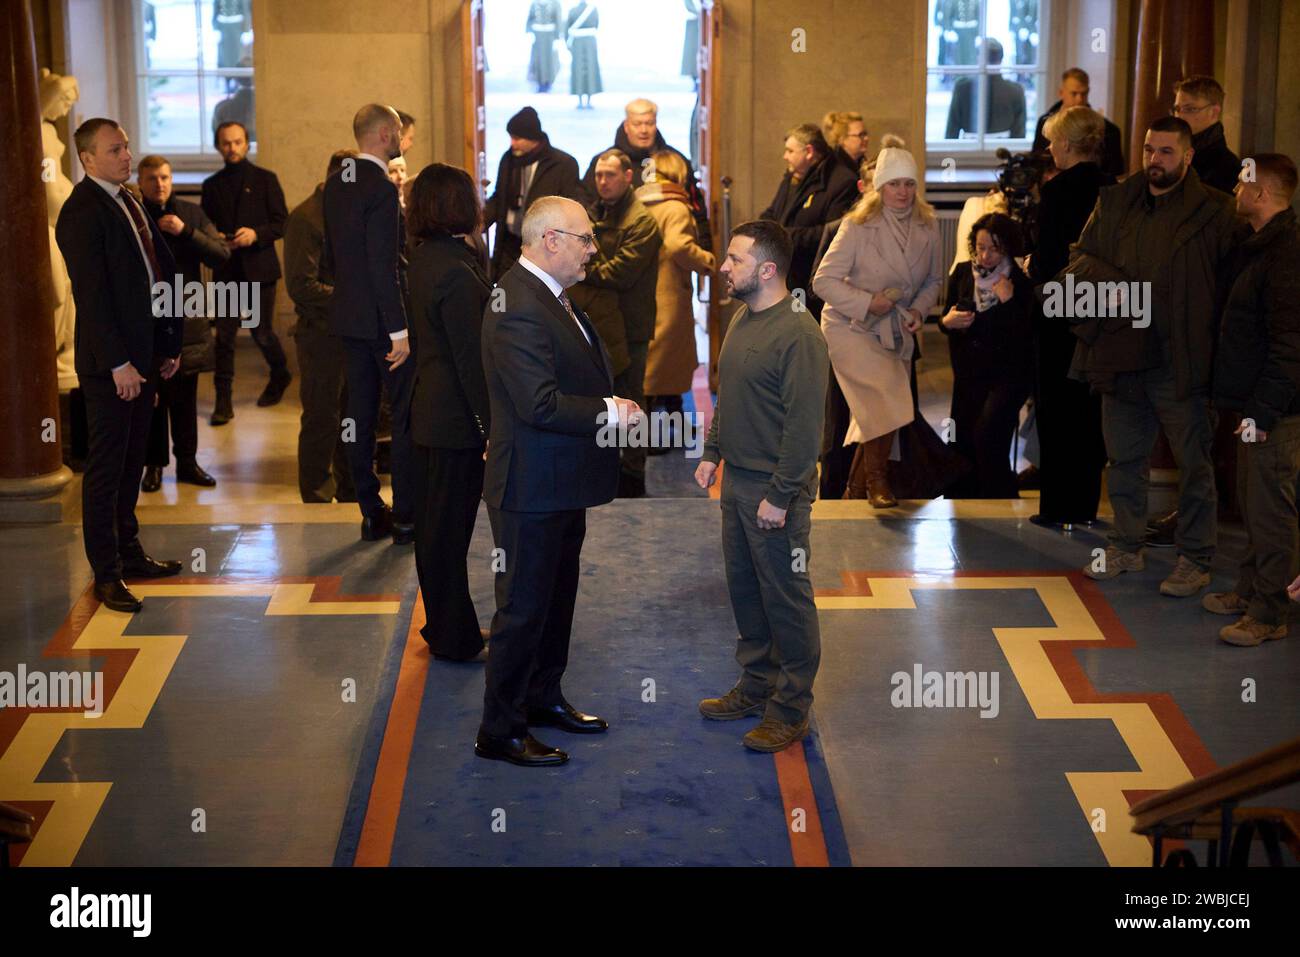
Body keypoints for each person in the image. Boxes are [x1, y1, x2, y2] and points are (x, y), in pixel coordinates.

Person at [476, 196, 641, 767]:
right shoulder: (518, 302)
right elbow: (538, 403)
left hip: (558, 482)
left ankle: (542, 699)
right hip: (530, 486)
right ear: (551, 241)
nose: (594, 249)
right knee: (522, 610)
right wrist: (609, 410)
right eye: (586, 239)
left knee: (555, 601)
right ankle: (500, 729)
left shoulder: (549, 295)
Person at [1069, 116, 1239, 595]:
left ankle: (1195, 558)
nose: (1154, 160)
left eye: (1165, 151)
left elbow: (1234, 288)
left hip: (1183, 359)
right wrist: (1115, 287)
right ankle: (1125, 545)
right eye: (1148, 150)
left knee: (1194, 462)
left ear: (1187, 156)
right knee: (1123, 458)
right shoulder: (1118, 200)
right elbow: (1079, 256)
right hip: (1123, 352)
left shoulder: (1216, 212)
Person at [695, 220, 829, 753]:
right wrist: (712, 452)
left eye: (735, 259)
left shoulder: (799, 334)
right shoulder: (743, 319)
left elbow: (804, 427)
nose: (724, 267)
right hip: (737, 483)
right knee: (747, 594)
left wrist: (781, 494)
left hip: (777, 492)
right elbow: (728, 396)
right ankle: (756, 686)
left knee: (786, 601)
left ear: (768, 270)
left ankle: (791, 707)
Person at [55, 118, 183, 613]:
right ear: (88, 159)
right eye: (115, 150)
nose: (127, 156)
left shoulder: (128, 198)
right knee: (107, 470)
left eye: (127, 146)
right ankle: (106, 574)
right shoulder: (81, 212)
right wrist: (120, 364)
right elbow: (94, 299)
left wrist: (167, 344)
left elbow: (160, 270)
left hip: (144, 355)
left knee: (134, 462)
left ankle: (129, 554)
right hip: (112, 366)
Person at [811, 140, 943, 507]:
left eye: (908, 184)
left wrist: (918, 310)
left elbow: (934, 280)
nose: (902, 192)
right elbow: (822, 281)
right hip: (849, 328)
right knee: (889, 400)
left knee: (879, 411)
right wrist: (870, 302)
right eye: (894, 184)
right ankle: (877, 482)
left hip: (896, 329)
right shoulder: (857, 226)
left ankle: (856, 489)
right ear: (880, 187)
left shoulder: (927, 226)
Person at [1204, 154, 1300, 646]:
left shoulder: (1285, 255)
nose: (1234, 191)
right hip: (1249, 405)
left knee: (1269, 510)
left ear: (1262, 194)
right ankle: (1248, 587)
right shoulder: (1255, 245)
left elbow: (1289, 345)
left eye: (1243, 184)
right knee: (1249, 500)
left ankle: (1270, 611)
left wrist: (1261, 413)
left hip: (1271, 411)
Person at [407, 164, 493, 662]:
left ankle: (448, 626)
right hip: (454, 422)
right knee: (445, 536)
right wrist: (491, 428)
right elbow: (470, 363)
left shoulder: (427, 258)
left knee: (439, 533)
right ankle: (450, 634)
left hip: (433, 412)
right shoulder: (457, 273)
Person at [322, 104, 415, 544]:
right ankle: (407, 515)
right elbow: (385, 266)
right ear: (383, 134)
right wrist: (399, 330)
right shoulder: (379, 187)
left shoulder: (336, 182)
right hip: (382, 324)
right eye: (397, 131)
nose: (401, 139)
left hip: (347, 318)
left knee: (356, 416)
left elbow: (333, 258)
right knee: (403, 415)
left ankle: (369, 509)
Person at [1028, 106, 1114, 528]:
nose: (1048, 148)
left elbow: (1046, 262)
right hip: (1099, 309)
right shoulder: (1111, 187)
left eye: (1052, 141)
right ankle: (1085, 506)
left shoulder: (1058, 192)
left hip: (1059, 311)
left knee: (1056, 409)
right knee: (1088, 408)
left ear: (1066, 144)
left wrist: (1030, 268)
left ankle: (1056, 507)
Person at [568, 149, 662, 498]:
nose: (603, 181)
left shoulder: (641, 222)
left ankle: (633, 474)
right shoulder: (594, 213)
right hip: (596, 324)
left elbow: (617, 273)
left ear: (628, 176)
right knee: (600, 398)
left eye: (610, 174)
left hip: (630, 325)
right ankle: (605, 468)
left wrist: (581, 267)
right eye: (598, 175)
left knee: (631, 399)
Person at [136, 154, 229, 492]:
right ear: (140, 182)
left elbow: (220, 254)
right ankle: (154, 466)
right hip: (147, 320)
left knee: (185, 398)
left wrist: (186, 232)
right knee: (153, 398)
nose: (158, 184)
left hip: (187, 318)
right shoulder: (134, 215)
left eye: (163, 177)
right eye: (151, 179)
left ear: (171, 179)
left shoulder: (191, 213)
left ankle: (187, 463)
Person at [201, 120, 290, 422]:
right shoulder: (211, 186)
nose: (232, 148)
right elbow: (207, 227)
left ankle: (281, 375)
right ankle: (222, 402)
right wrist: (219, 239)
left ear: (246, 143)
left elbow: (282, 223)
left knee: (261, 332)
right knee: (224, 337)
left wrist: (255, 234)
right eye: (226, 143)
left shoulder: (266, 179)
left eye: (237, 142)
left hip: (259, 269)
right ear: (218, 146)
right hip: (227, 268)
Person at [940, 213, 1033, 498]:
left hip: (1007, 376)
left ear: (1006, 248)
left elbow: (1025, 333)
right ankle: (970, 504)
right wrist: (948, 323)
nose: (986, 255)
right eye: (980, 247)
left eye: (994, 248)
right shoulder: (962, 275)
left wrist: (1007, 301)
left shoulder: (1019, 280)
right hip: (969, 374)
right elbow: (946, 318)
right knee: (964, 437)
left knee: (989, 433)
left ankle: (1000, 497)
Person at [285, 149, 357, 504]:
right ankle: (315, 495)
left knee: (351, 417)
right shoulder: (307, 218)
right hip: (320, 335)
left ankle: (351, 490)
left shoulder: (345, 212)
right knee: (321, 418)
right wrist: (356, 295)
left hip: (348, 330)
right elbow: (301, 285)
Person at [636, 149, 714, 434]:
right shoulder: (676, 207)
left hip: (643, 290)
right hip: (669, 292)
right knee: (664, 366)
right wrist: (707, 261)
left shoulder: (639, 201)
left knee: (656, 363)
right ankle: (654, 435)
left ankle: (669, 422)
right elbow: (679, 245)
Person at [581, 98, 711, 249]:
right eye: (637, 124)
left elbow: (696, 206)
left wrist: (706, 247)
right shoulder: (604, 163)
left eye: (649, 123)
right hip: (619, 248)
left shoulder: (675, 161)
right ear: (626, 126)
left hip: (666, 252)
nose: (644, 130)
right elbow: (587, 205)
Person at [759, 124, 859, 299]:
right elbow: (773, 212)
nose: (785, 156)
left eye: (790, 151)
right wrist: (761, 230)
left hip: (811, 279)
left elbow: (833, 234)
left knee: (803, 325)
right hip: (785, 273)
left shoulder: (841, 182)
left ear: (809, 151)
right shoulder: (793, 176)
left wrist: (784, 236)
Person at [483, 107, 583, 280]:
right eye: (511, 138)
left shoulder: (563, 164)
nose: (512, 144)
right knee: (505, 299)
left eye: (517, 138)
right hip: (508, 245)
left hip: (542, 249)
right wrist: (477, 224)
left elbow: (570, 209)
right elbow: (499, 197)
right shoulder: (509, 160)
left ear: (532, 138)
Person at [1032, 68, 1125, 179]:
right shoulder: (1045, 123)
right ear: (1061, 93)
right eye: (1074, 93)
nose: (1080, 99)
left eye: (1084, 94)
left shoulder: (1109, 130)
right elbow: (1036, 162)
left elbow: (1115, 172)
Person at [1173, 75, 1241, 195]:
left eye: (1190, 109)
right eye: (1177, 109)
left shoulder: (1228, 168)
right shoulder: (1175, 154)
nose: (1180, 116)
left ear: (1214, 112)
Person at [945, 38, 1026, 139]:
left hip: (968, 149)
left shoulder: (962, 87)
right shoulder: (1015, 91)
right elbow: (1019, 135)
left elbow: (951, 132)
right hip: (1004, 149)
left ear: (978, 58)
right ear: (1001, 60)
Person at [564, 0, 602, 110]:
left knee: (578, 71)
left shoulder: (572, 10)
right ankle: (589, 101)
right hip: (590, 42)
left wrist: (568, 44)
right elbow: (596, 24)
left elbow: (566, 28)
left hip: (577, 43)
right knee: (591, 71)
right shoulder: (593, 10)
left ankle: (580, 101)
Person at [526, 1, 561, 93]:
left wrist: (557, 38)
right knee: (538, 60)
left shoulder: (555, 3)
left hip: (550, 37)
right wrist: (529, 32)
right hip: (538, 35)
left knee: (550, 61)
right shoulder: (534, 4)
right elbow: (529, 19)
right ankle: (539, 83)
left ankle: (548, 83)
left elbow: (558, 20)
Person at [822, 110, 869, 177]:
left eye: (865, 134)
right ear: (842, 139)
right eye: (860, 135)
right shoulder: (836, 169)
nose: (866, 138)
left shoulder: (861, 163)